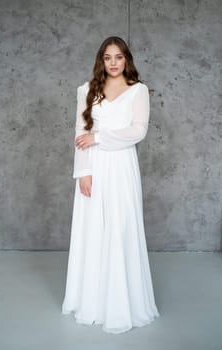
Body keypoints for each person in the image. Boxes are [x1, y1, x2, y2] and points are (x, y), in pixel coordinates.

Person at [61, 36, 160, 334]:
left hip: (121, 167)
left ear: (127, 59)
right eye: (108, 57)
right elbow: (81, 131)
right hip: (94, 166)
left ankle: (120, 303)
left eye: (119, 57)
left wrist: (100, 138)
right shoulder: (86, 90)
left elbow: (137, 131)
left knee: (120, 228)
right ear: (101, 61)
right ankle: (91, 300)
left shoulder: (138, 91)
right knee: (93, 231)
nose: (114, 63)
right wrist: (84, 173)